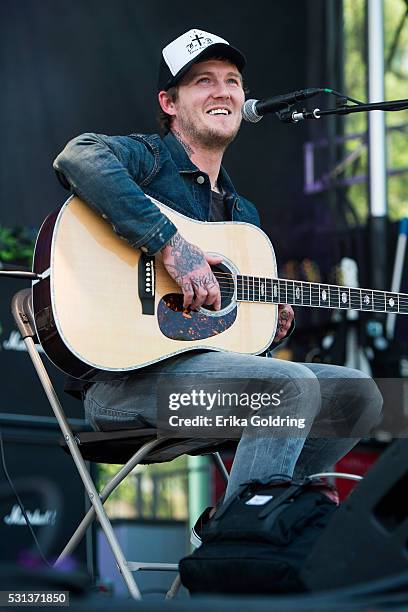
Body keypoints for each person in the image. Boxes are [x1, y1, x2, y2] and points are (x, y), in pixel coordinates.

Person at [53, 28, 382, 509]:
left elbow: (223, 337)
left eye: (232, 80)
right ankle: (246, 534)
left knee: (359, 394)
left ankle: (273, 522)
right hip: (127, 389)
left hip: (210, 388)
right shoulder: (146, 160)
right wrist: (169, 244)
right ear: (169, 102)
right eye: (203, 81)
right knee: (286, 387)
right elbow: (77, 155)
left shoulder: (242, 216)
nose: (223, 90)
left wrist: (269, 329)